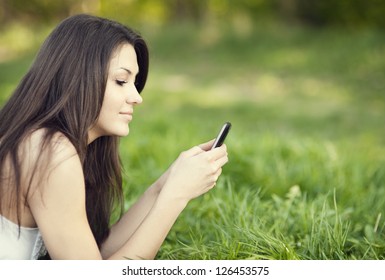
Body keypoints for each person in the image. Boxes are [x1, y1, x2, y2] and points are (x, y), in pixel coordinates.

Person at [0, 14, 228, 260]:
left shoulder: (48, 142)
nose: (137, 97)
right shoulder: (50, 151)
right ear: (77, 78)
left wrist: (166, 183)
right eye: (121, 81)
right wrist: (176, 196)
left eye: (135, 82)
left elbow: (95, 254)